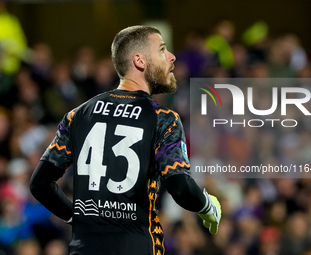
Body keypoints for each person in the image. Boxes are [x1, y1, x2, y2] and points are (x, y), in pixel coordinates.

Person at [30, 25, 221, 255]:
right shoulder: (163, 119)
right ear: (139, 61)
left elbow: (39, 184)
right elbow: (180, 186)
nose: (172, 57)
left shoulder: (78, 115)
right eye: (162, 50)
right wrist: (207, 206)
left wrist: (75, 217)